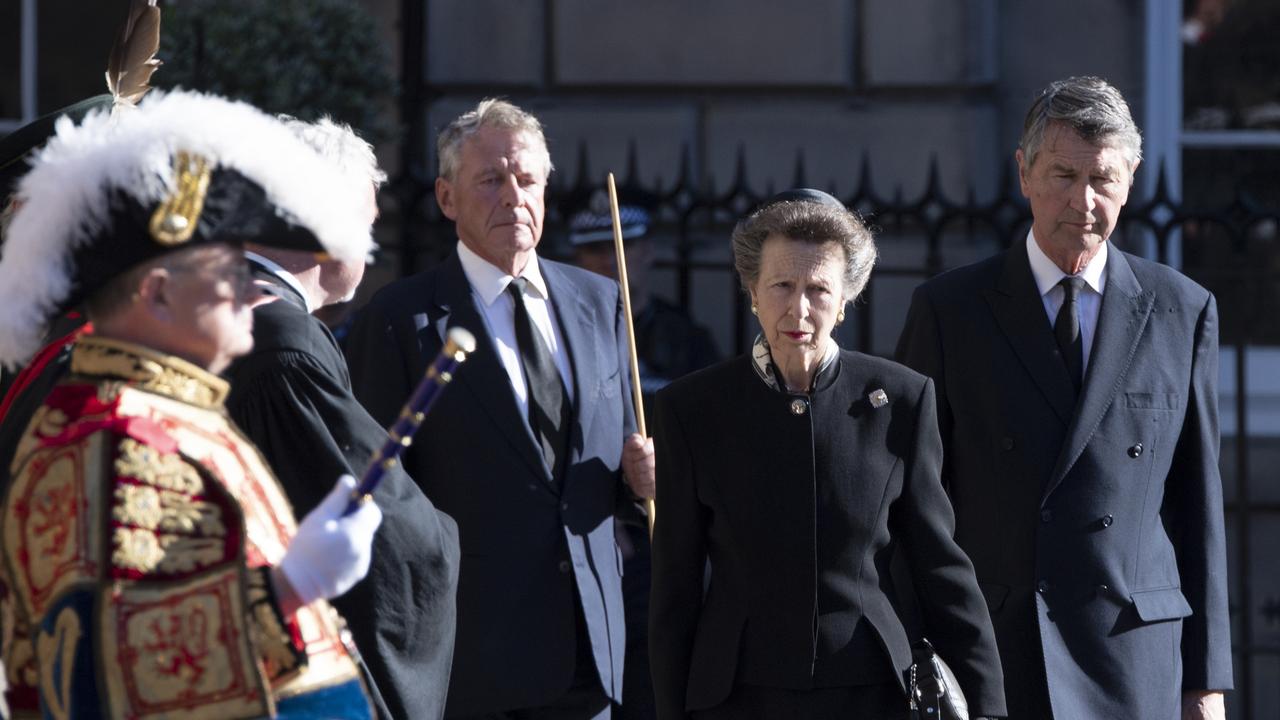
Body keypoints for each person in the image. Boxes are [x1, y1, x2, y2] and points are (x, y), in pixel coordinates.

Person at [0, 90, 383, 717]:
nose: (244, 279)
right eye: (223, 261)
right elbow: (109, 660)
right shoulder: (105, 436)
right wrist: (286, 590)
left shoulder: (164, 410)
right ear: (156, 293)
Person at [895, 76, 1232, 720]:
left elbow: (1198, 505)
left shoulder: (1182, 310)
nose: (1082, 200)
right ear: (1023, 174)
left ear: (1131, 179)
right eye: (1061, 175)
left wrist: (1206, 679)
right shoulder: (949, 310)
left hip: (1133, 657)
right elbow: (912, 499)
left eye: (1103, 178)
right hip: (994, 654)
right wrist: (918, 651)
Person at [345, 98, 656, 719]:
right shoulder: (398, 319)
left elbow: (614, 453)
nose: (513, 196)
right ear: (446, 197)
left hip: (594, 653)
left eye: (527, 179)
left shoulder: (600, 301)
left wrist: (643, 482)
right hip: (471, 657)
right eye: (490, 179)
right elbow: (378, 491)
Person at [649, 189, 1005, 720]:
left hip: (872, 692)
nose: (799, 309)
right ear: (752, 292)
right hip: (737, 696)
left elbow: (941, 568)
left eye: (818, 289)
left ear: (845, 300)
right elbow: (674, 589)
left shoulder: (901, 399)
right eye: (781, 286)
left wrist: (988, 706)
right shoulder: (692, 408)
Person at [224, 117, 461, 720]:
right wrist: (445, 538)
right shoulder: (281, 336)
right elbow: (380, 528)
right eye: (365, 223)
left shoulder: (243, 309)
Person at [566, 190, 719, 720]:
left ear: (649, 251)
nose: (610, 261)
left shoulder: (684, 338)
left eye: (624, 247)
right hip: (609, 535)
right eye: (594, 250)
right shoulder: (570, 337)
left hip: (674, 530)